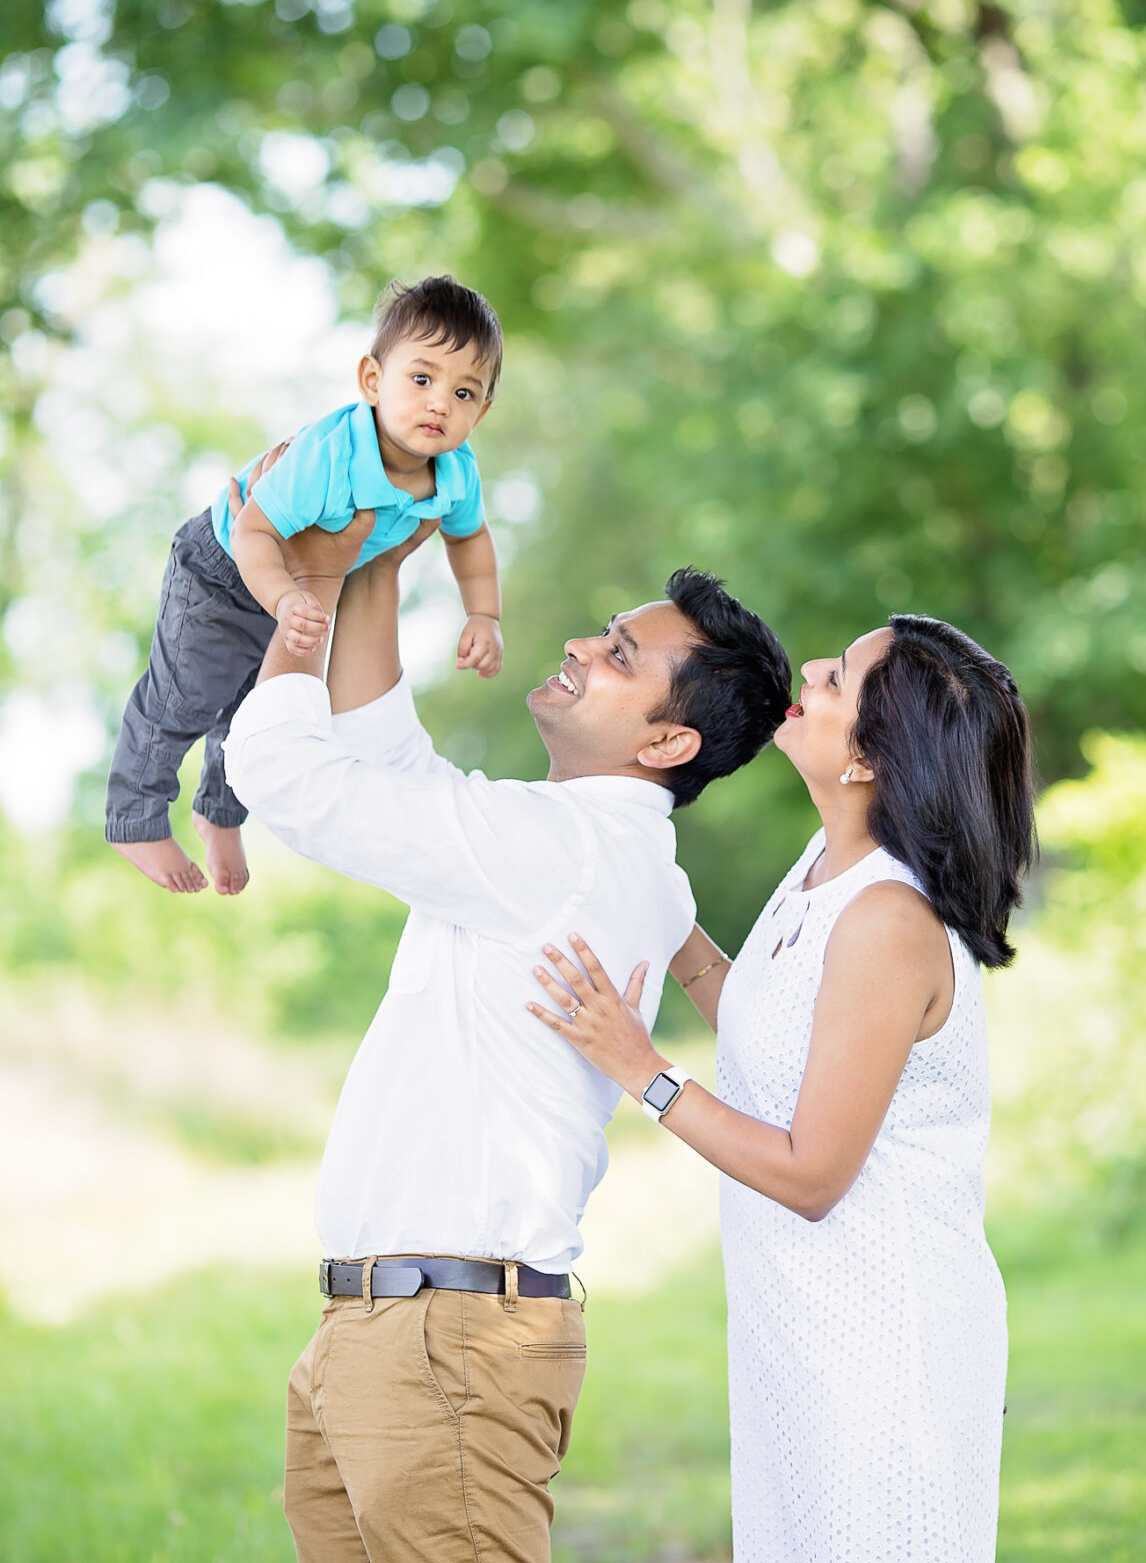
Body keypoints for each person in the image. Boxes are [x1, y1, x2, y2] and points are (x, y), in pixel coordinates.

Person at [219, 482, 793, 1563]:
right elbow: (397, 770)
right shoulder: (597, 852)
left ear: (668, 743)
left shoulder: (558, 852)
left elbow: (289, 777)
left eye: (620, 656)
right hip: (389, 1329)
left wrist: (307, 602)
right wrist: (376, 568)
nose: (581, 642)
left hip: (445, 1341)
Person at [528, 617, 1035, 1563]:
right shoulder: (820, 872)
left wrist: (643, 1070)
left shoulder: (888, 917)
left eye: (838, 679)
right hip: (805, 1328)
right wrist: (672, 927)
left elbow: (811, 1174)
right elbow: (777, 1035)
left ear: (872, 758)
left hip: (887, 1342)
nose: (810, 671)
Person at [105, 274, 504, 897]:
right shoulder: (330, 457)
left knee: (253, 708)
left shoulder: (455, 473)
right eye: (420, 380)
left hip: (296, 587)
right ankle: (134, 817)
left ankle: (220, 813)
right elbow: (256, 531)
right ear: (373, 380)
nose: (439, 404)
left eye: (463, 392)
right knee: (188, 697)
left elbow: (470, 539)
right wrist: (286, 596)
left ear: (481, 410)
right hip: (226, 569)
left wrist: (484, 615)